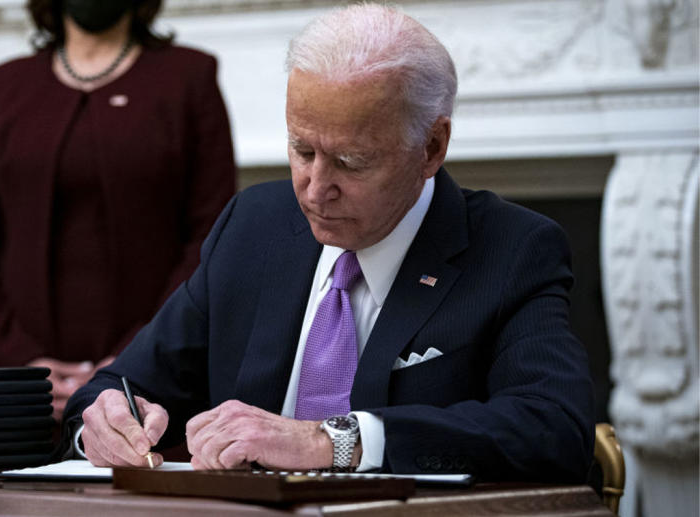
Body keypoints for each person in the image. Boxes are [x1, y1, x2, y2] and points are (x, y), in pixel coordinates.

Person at [62, 3, 594, 481]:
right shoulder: (254, 225)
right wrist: (105, 423)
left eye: (351, 162)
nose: (316, 189)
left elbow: (553, 427)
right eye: (302, 150)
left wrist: (332, 442)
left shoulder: (512, 249)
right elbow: (120, 387)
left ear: (431, 147)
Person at [0, 0, 236, 419]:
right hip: (21, 395)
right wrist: (20, 360)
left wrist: (135, 359)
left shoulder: (191, 78)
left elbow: (211, 239)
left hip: (150, 392)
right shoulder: (3, 86)